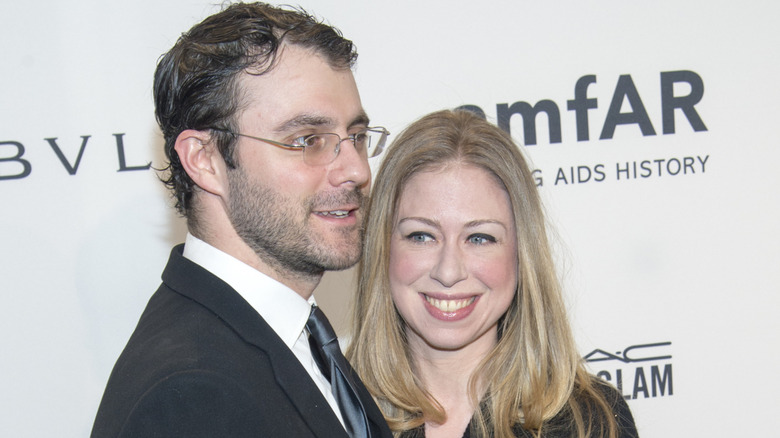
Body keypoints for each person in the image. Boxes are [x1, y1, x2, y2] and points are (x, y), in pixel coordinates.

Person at [91, 3, 392, 437]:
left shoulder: (293, 337)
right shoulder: (192, 397)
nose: (357, 170)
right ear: (204, 159)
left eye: (357, 137)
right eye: (307, 140)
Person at [346, 109, 639, 438]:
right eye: (421, 236)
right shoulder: (329, 411)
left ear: (520, 252)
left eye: (479, 238)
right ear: (383, 247)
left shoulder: (590, 422)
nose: (448, 271)